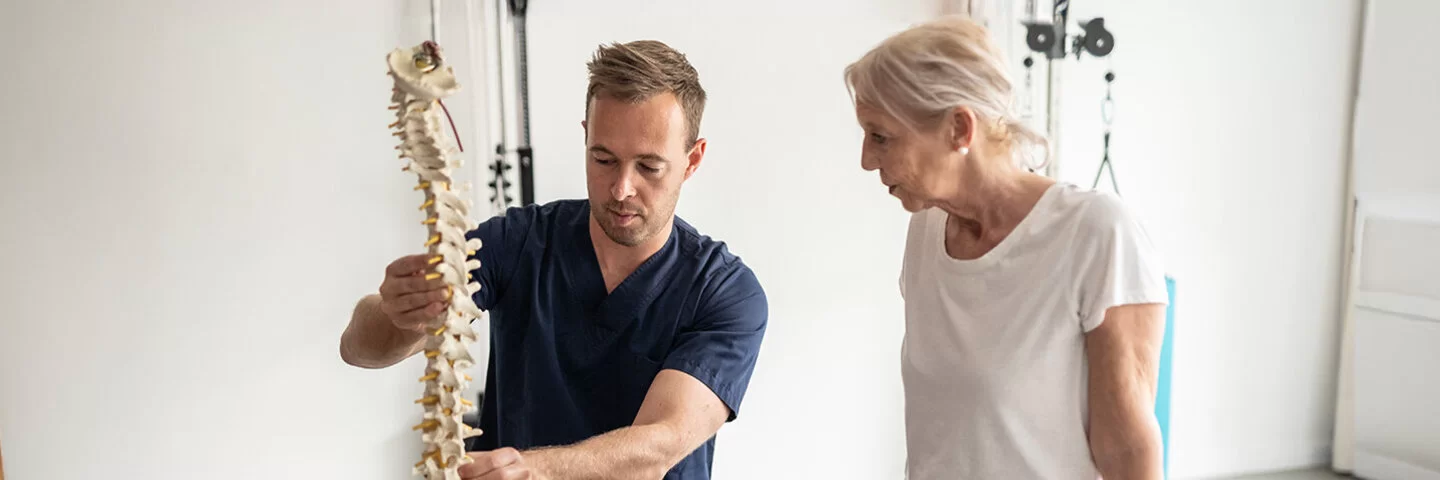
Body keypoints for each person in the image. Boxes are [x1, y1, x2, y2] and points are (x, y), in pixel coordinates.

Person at [340, 39, 768, 480]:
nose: (621, 189)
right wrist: (401, 315)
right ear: (585, 136)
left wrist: (530, 469)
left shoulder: (725, 293)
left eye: (649, 167)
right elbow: (357, 348)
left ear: (692, 160)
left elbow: (657, 446)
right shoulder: (517, 241)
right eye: (603, 159)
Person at [843, 16, 1170, 480]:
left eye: (881, 136)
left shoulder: (1096, 233)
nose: (866, 160)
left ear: (959, 128)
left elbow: (1127, 450)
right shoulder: (925, 231)